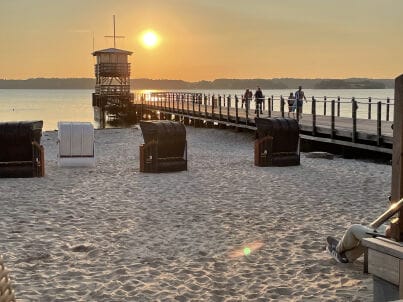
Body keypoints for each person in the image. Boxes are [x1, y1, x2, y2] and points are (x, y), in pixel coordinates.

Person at [326, 224, 391, 263]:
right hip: (398, 243)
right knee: (375, 228)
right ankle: (348, 256)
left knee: (353, 228)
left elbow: (390, 232)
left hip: (391, 239)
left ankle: (337, 249)